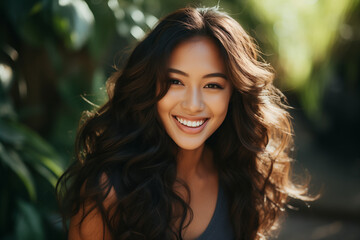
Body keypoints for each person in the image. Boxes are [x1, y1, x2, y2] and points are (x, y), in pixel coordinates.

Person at [56, 6, 312, 240]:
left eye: (212, 85)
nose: (193, 105)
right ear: (150, 85)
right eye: (176, 81)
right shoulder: (109, 192)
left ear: (234, 93)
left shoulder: (242, 176)